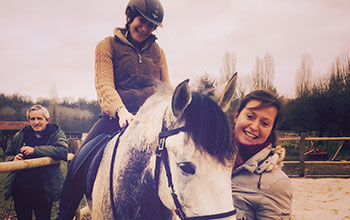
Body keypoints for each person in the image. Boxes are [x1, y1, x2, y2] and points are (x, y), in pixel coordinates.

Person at [56, 0, 170, 219]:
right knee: (79, 160)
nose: (146, 29)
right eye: (142, 22)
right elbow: (104, 85)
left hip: (150, 122)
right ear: (128, 15)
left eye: (152, 26)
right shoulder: (107, 45)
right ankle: (64, 214)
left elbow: (166, 90)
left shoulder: (159, 53)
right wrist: (121, 111)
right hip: (115, 118)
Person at [231, 90, 293, 220]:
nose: (254, 126)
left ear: (271, 130)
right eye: (250, 116)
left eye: (265, 123)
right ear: (236, 116)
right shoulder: (209, 161)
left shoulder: (276, 184)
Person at [4, 105, 68, 220]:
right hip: (20, 189)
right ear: (29, 121)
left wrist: (35, 150)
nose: (36, 122)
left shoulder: (56, 133)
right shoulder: (21, 135)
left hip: (43, 190)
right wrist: (13, 159)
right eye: (32, 119)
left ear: (47, 120)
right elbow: (8, 154)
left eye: (39, 118)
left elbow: (62, 151)